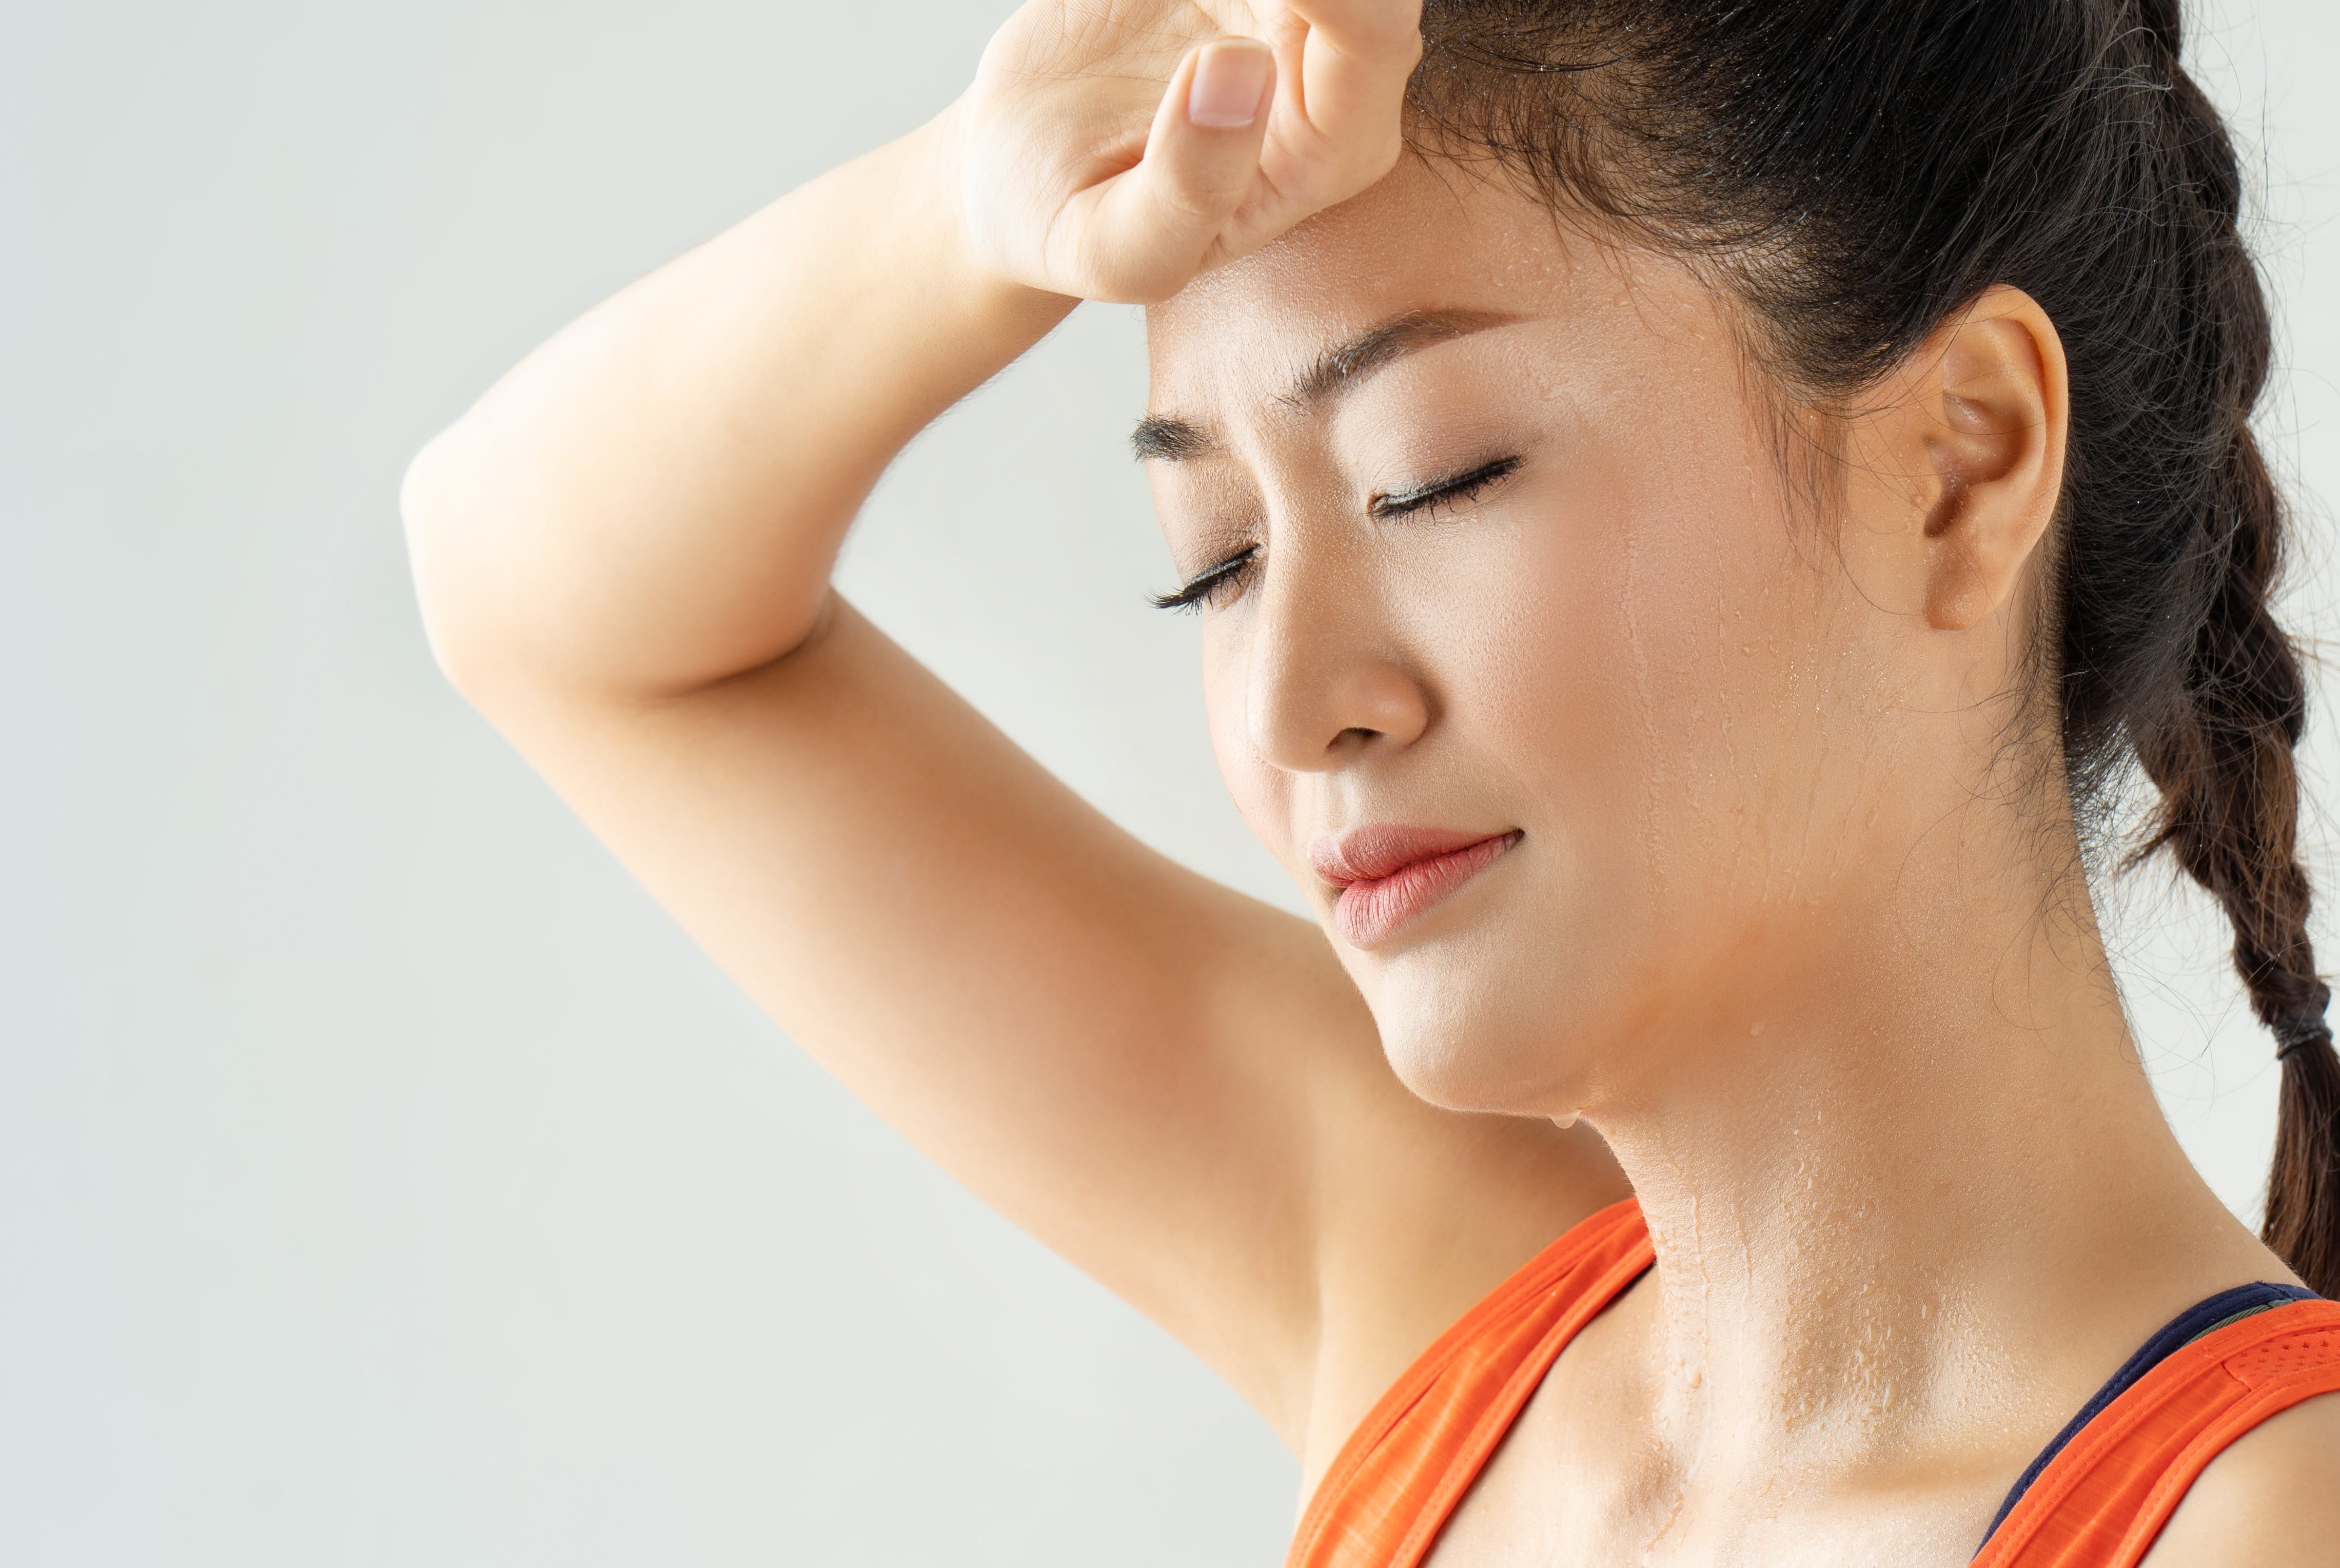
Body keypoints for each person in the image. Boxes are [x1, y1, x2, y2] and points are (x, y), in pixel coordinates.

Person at [399, 1, 2340, 1560]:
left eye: (1434, 478)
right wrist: (969, 203)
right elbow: (539, 600)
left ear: (1961, 459)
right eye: (1217, 559)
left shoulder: (2265, 1521)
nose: (1294, 701)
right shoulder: (1448, 1330)